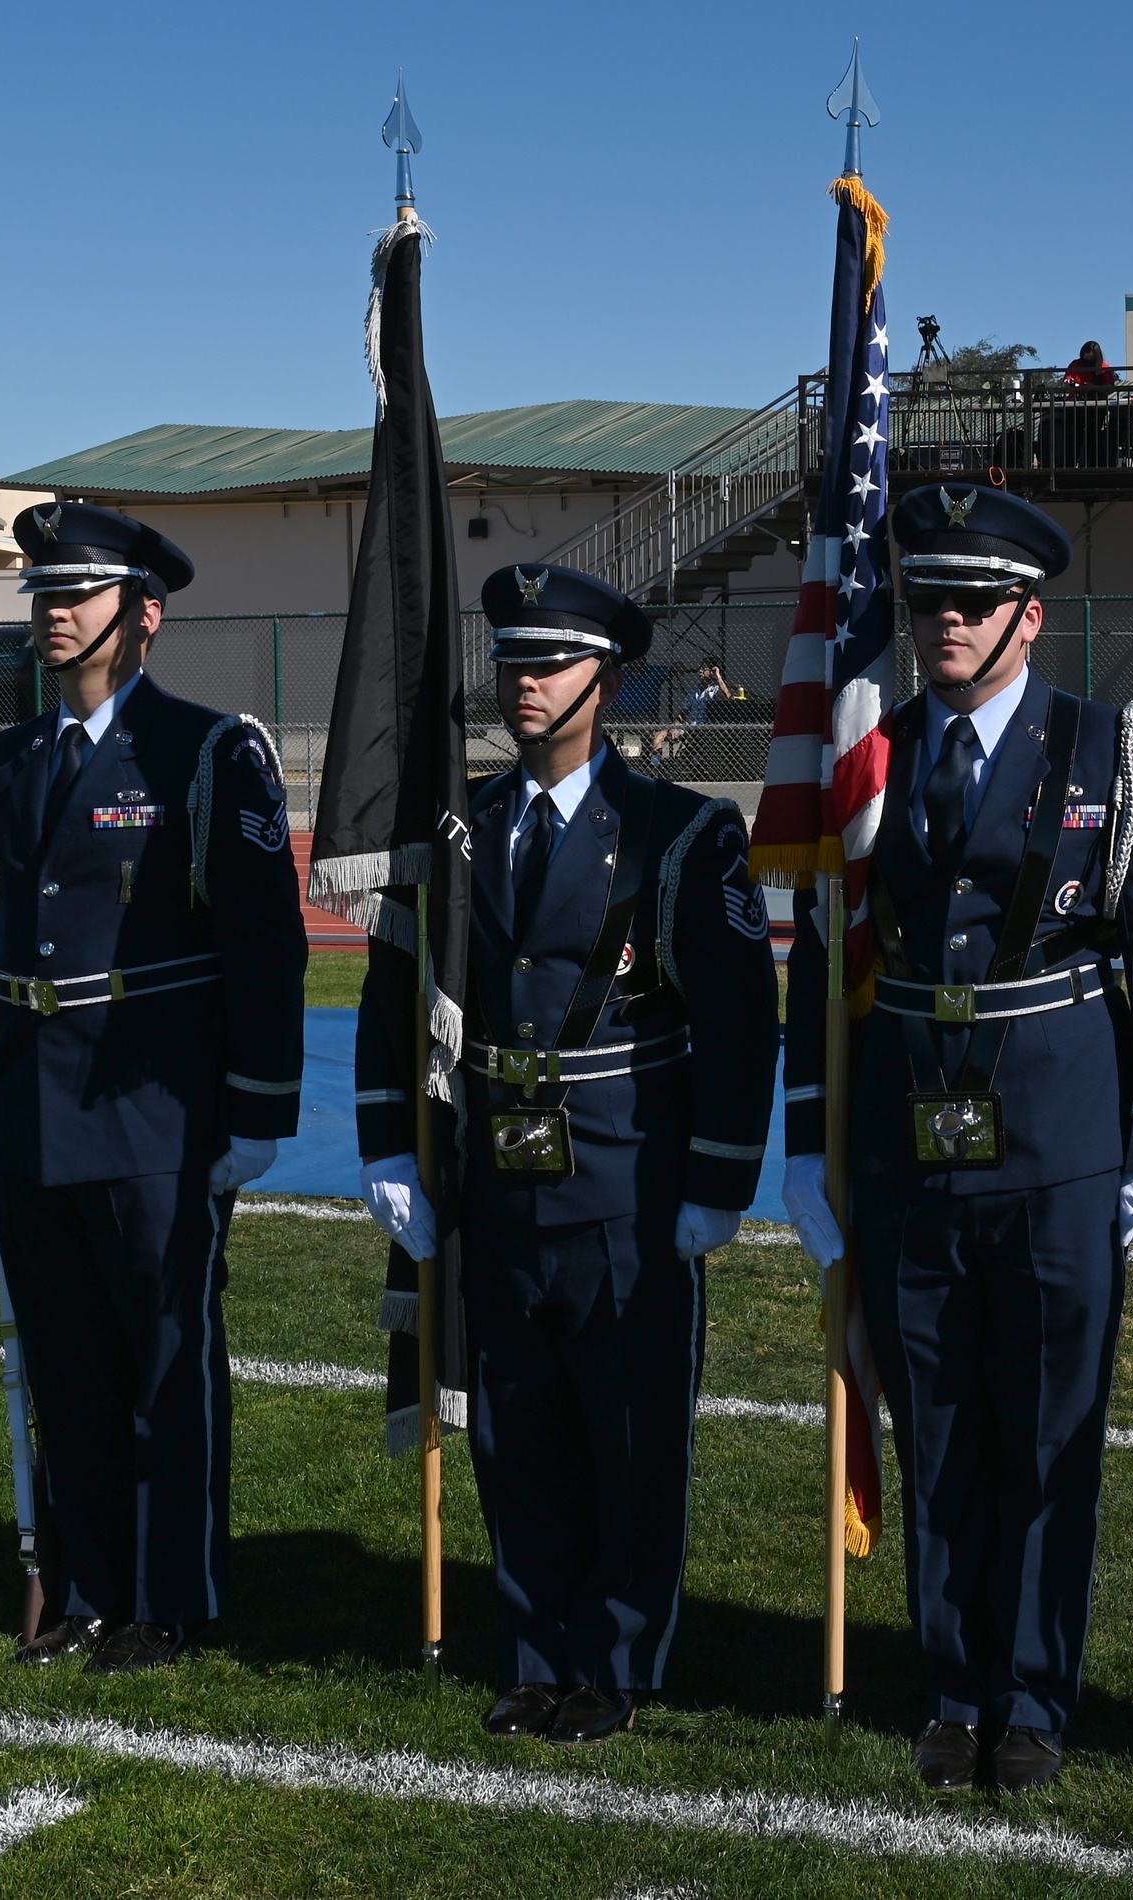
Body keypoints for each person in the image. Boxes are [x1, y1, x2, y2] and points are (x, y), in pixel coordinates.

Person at [781, 486, 1133, 1795]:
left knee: (1045, 1430)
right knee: (941, 1427)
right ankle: (955, 1683)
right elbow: (820, 955)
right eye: (927, 601)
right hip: (912, 1142)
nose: (944, 622)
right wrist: (811, 1142)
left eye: (973, 602)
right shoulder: (876, 757)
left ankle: (1031, 1692)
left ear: (1032, 614)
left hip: (1061, 1143)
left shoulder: (1108, 752)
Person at [355, 563, 777, 1745]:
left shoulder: (682, 832)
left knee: (629, 1429)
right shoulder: (460, 828)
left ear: (609, 677)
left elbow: (741, 1021)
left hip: (625, 1175)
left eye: (548, 662)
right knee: (515, 1424)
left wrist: (717, 1179)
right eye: (511, 661)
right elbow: (394, 997)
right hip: (494, 1173)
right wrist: (390, 1140)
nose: (523, 681)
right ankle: (536, 1648)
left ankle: (619, 1657)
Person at [0, 502, 307, 1674]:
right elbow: (16, 924)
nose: (53, 612)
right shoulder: (8, 759)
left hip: (155, 1105)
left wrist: (258, 1107)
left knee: (167, 1358)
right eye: (43, 595)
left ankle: (172, 1597)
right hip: (33, 1102)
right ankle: (89, 1588)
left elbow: (269, 942)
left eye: (77, 593)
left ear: (143, 614)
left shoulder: (209, 754)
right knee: (65, 1357)